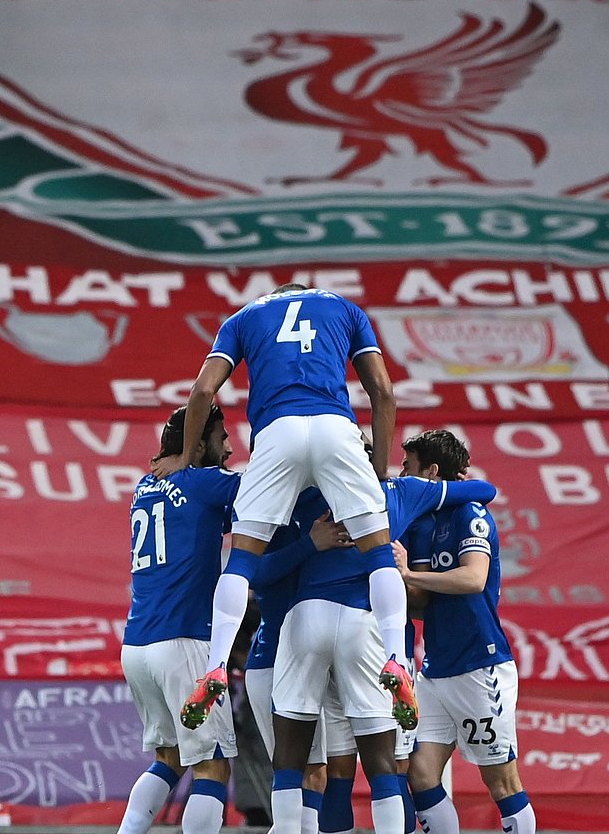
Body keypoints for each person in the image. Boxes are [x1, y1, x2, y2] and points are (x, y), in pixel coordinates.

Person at [150, 284, 416, 739]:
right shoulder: (345, 308)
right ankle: (396, 658)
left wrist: (188, 454)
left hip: (275, 435)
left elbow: (202, 392)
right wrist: (376, 468)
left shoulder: (243, 318)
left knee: (241, 561)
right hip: (335, 428)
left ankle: (213, 667)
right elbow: (383, 392)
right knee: (376, 553)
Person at [264, 452, 498, 834]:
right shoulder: (396, 492)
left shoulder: (298, 498)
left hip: (304, 619)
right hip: (364, 625)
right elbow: (483, 491)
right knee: (385, 766)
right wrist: (436, 487)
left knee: (294, 763)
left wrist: (310, 544)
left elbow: (260, 574)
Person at [98, 405, 240, 834]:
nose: (229, 450)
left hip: (136, 643)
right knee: (213, 763)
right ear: (197, 445)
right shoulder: (205, 483)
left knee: (169, 758)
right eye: (222, 438)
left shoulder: (144, 485)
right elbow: (269, 488)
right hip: (185, 642)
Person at [394, 429, 537, 834]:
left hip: (481, 664)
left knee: (501, 779)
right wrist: (397, 579)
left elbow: (473, 578)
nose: (402, 473)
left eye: (409, 466)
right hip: (435, 668)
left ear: (432, 471)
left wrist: (410, 576)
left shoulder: (470, 514)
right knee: (420, 774)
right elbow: (423, 603)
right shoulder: (421, 522)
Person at [224, 494, 356, 834]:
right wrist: (310, 545)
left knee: (313, 775)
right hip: (272, 663)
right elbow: (253, 575)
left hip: (298, 663)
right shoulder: (281, 513)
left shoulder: (331, 510)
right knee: (300, 774)